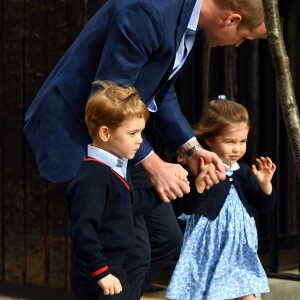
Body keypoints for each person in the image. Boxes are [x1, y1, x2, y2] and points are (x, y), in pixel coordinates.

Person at [23, 0, 267, 296]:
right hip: (84, 132)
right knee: (128, 250)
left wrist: (191, 148)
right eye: (245, 37)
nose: (240, 45)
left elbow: (159, 88)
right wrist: (153, 164)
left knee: (164, 238)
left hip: (126, 143)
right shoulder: (148, 11)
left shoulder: (190, 25)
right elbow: (109, 92)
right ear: (232, 19)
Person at [166, 98, 276, 300]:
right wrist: (199, 184)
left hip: (240, 247)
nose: (237, 149)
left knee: (249, 293)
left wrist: (265, 185)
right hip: (208, 245)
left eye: (242, 141)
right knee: (207, 293)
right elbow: (187, 209)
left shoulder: (244, 172)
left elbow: (265, 206)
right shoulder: (200, 170)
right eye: (230, 142)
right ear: (210, 140)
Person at [67, 80, 164, 300]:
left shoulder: (112, 170)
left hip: (114, 268)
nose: (140, 140)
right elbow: (83, 229)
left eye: (141, 133)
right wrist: (101, 273)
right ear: (105, 133)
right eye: (133, 133)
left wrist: (159, 194)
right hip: (99, 274)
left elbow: (128, 204)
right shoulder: (94, 177)